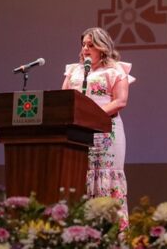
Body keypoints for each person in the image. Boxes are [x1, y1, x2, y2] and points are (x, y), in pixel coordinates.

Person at [62, 27, 134, 230]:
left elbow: (120, 101)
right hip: (78, 132)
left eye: (91, 45)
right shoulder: (74, 71)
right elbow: (64, 98)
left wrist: (92, 115)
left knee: (106, 178)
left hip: (106, 132)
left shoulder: (115, 70)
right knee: (80, 177)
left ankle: (112, 232)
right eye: (84, 44)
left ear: (102, 48)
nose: (85, 48)